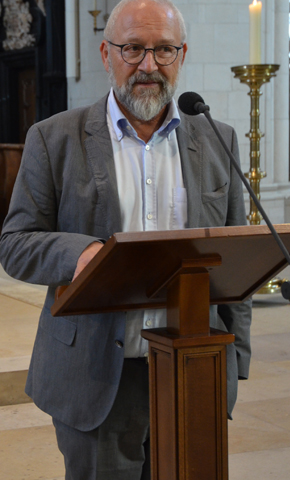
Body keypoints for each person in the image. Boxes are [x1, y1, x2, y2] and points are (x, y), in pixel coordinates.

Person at [0, 0, 252, 479]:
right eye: (133, 49)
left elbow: (233, 260)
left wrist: (234, 359)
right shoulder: (54, 138)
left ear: (182, 54)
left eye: (164, 50)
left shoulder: (218, 139)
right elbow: (14, 242)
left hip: (192, 365)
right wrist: (83, 253)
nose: (149, 65)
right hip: (98, 375)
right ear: (105, 53)